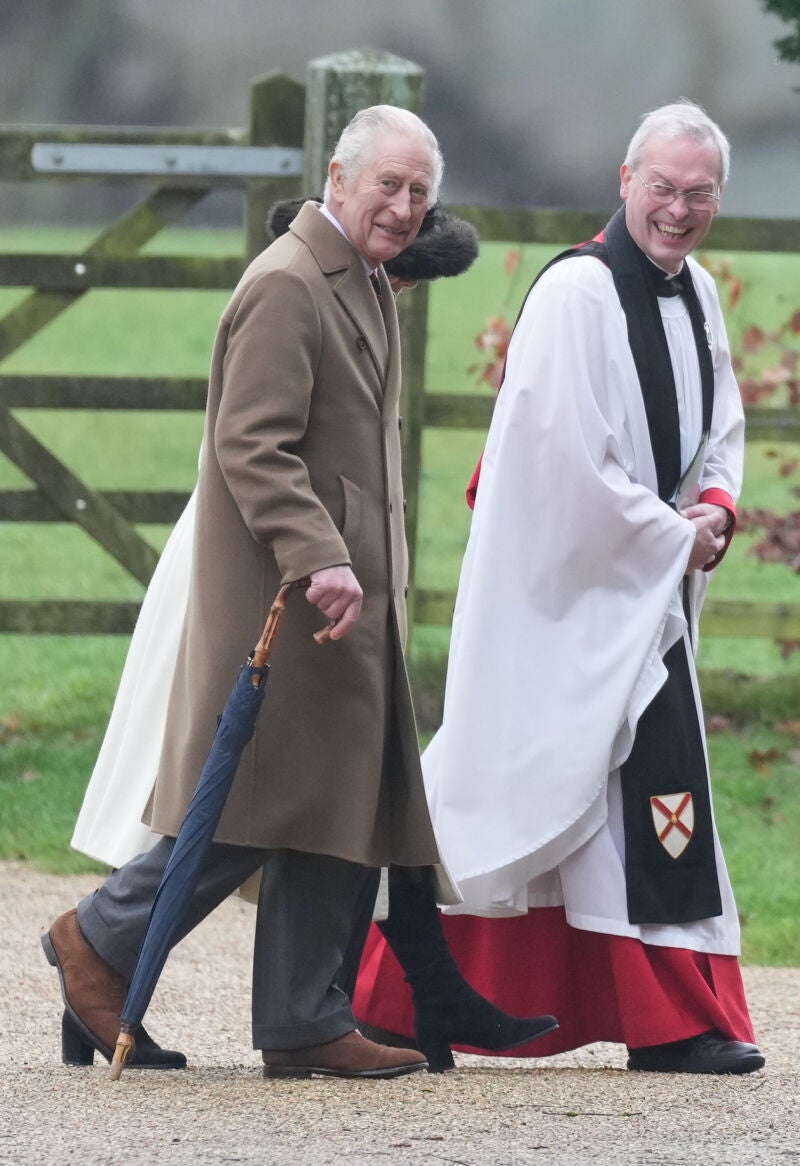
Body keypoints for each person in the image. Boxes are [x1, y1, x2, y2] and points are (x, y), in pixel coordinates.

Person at [44, 108, 554, 1080]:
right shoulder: (286, 283)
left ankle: (301, 1015)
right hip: (291, 597)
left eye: (417, 193)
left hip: (343, 599)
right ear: (336, 174)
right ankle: (96, 939)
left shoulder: (358, 279)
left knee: (337, 801)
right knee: (248, 807)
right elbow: (251, 443)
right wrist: (317, 552)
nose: (403, 208)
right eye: (386, 186)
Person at [353, 100, 766, 1076]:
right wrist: (677, 534)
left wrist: (714, 504)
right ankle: (389, 990)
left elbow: (720, 425)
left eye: (697, 194)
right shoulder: (573, 297)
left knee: (641, 790)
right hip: (564, 590)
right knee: (520, 774)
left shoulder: (696, 291)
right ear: (623, 182)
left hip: (643, 585)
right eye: (660, 188)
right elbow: (561, 466)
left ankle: (672, 1020)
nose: (676, 210)